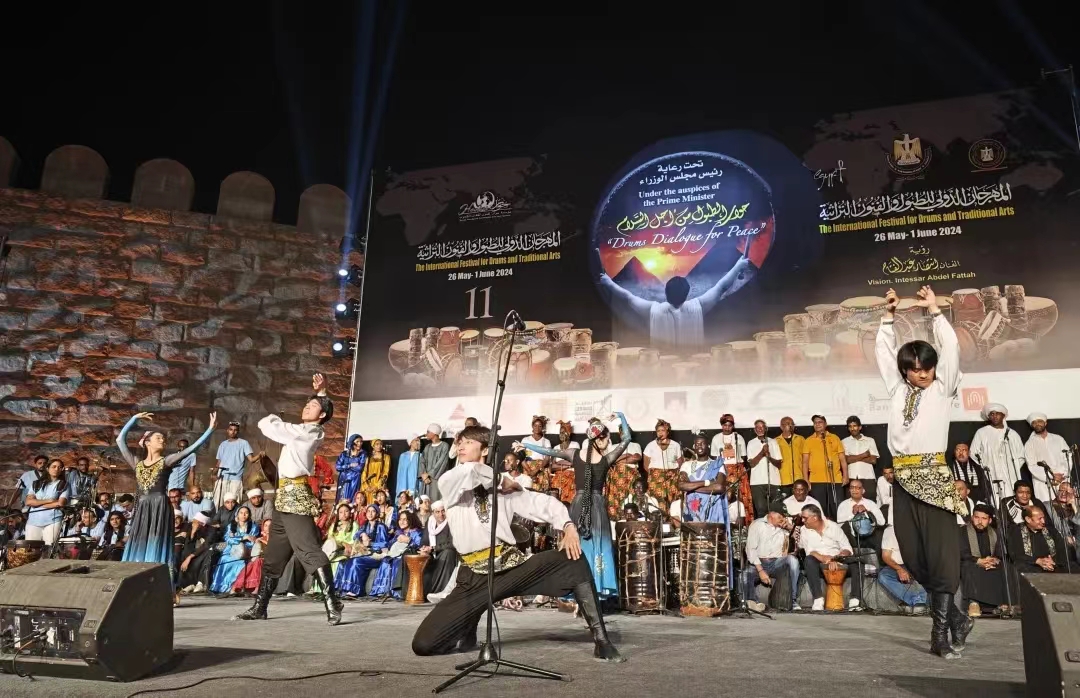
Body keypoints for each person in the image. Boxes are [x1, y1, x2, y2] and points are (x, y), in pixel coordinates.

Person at [410, 424, 623, 662]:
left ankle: (602, 641)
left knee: (574, 560)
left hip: (510, 568)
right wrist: (500, 478)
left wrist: (567, 525)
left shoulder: (504, 489)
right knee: (423, 644)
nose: (461, 446)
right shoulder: (452, 483)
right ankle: (468, 626)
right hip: (472, 578)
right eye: (460, 442)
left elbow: (541, 503)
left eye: (469, 442)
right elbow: (469, 472)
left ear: (485, 450)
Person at [876, 284, 971, 658]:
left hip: (934, 477)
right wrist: (888, 317)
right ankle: (958, 619)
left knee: (942, 557)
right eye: (916, 370)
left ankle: (940, 634)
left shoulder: (942, 388)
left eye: (928, 368)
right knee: (914, 556)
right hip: (903, 480)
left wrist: (934, 311)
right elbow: (883, 354)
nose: (924, 374)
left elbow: (953, 349)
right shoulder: (897, 390)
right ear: (905, 371)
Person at [235, 372, 343, 626]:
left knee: (308, 550)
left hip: (296, 498)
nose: (307, 407)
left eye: (313, 406)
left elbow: (267, 424)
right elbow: (274, 426)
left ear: (322, 416)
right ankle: (260, 607)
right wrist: (320, 393)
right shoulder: (301, 430)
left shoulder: (309, 432)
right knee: (274, 556)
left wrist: (321, 397)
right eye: (307, 404)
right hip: (283, 499)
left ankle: (332, 602)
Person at [522, 413, 631, 599]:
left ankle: (580, 590)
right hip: (595, 506)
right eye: (606, 437)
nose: (608, 441)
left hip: (581, 504)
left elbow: (548, 452)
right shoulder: (606, 459)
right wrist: (621, 416)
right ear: (598, 439)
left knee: (582, 544)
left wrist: (525, 445)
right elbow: (626, 439)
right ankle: (593, 589)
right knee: (594, 544)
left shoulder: (575, 454)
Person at [116, 412, 216, 582]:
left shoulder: (166, 461)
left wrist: (209, 430)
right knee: (139, 538)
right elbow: (120, 440)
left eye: (163, 438)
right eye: (158, 438)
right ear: (147, 443)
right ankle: (135, 579)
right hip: (143, 507)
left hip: (159, 505)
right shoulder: (137, 464)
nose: (162, 440)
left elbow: (192, 449)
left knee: (157, 540)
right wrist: (134, 419)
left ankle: (158, 580)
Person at [595, 246, 751, 348]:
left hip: (662, 370)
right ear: (687, 294)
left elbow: (627, 297)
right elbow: (721, 287)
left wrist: (608, 282)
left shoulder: (653, 311)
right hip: (694, 366)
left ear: (666, 293)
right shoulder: (698, 307)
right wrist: (738, 266)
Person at [799, 503, 860, 611]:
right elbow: (810, 552)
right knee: (809, 560)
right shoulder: (804, 530)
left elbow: (847, 548)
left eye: (805, 518)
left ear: (815, 517)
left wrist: (838, 558)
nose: (802, 520)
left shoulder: (833, 527)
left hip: (839, 561)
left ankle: (855, 600)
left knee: (857, 562)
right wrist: (827, 560)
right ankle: (818, 599)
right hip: (819, 563)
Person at [960, 503, 1014, 617]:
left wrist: (994, 560)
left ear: (989, 520)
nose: (980, 521)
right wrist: (978, 560)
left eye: (984, 518)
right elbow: (961, 552)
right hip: (971, 562)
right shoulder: (962, 531)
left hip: (989, 563)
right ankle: (973, 602)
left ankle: (1002, 603)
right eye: (977, 517)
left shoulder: (995, 533)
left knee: (1006, 567)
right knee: (968, 566)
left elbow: (1000, 552)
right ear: (972, 517)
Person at [741, 506, 799, 612]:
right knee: (744, 575)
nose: (783, 519)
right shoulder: (757, 525)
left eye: (784, 516)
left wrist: (791, 529)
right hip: (759, 562)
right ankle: (752, 602)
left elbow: (798, 545)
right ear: (771, 514)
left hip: (777, 562)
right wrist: (760, 570)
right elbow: (751, 549)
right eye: (780, 516)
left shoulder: (784, 527)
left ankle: (792, 600)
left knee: (793, 560)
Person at [969, 404, 1026, 508]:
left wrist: (1013, 467)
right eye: (992, 414)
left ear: (1003, 415)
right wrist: (986, 465)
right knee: (996, 497)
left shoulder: (1012, 434)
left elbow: (1021, 455)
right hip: (992, 472)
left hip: (1011, 474)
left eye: (997, 414)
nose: (994, 416)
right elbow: (973, 452)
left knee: (1012, 494)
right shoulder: (982, 432)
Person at [335, 504, 390, 597]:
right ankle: (340, 588)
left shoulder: (381, 526)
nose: (370, 513)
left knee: (356, 561)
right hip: (365, 554)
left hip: (376, 555)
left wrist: (370, 544)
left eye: (373, 511)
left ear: (377, 514)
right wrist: (362, 534)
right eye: (368, 511)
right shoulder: (364, 526)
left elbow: (385, 544)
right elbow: (355, 536)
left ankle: (355, 589)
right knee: (344, 561)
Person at [672, 436, 728, 524]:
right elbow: (681, 485)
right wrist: (707, 482)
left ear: (708, 446)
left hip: (711, 508)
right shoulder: (686, 465)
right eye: (697, 444)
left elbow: (719, 487)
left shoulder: (717, 465)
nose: (699, 446)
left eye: (702, 443)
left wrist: (691, 487)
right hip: (692, 508)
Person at [802, 415, 846, 519]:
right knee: (820, 510)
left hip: (835, 479)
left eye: (820, 422)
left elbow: (842, 459)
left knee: (837, 509)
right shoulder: (808, 440)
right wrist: (806, 480)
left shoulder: (834, 438)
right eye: (815, 423)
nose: (817, 424)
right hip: (816, 481)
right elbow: (805, 462)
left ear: (825, 424)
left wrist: (845, 476)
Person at [878, 524, 928, 613]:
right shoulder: (890, 531)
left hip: (917, 564)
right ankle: (914, 600)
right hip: (897, 565)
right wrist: (899, 569)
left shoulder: (919, 528)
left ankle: (921, 601)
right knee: (883, 576)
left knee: (931, 571)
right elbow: (886, 556)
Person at [210, 506, 259, 595]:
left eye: (246, 513)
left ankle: (236, 587)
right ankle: (222, 587)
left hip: (246, 552)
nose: (243, 515)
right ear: (237, 514)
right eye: (241, 513)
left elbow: (252, 541)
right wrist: (243, 538)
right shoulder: (231, 526)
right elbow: (227, 539)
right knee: (225, 559)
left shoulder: (253, 527)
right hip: (230, 551)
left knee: (241, 563)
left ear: (249, 515)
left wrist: (238, 539)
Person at [1008, 505, 1071, 574]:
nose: (1043, 521)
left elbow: (1062, 549)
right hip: (1031, 566)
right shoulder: (1016, 531)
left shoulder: (1050, 530)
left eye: (1043, 518)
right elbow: (1016, 554)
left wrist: (1053, 561)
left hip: (1053, 565)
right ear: (1028, 519)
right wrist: (1037, 561)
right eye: (1039, 519)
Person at [1024, 413, 1071, 505]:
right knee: (1048, 507)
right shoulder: (1029, 444)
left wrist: (1063, 474)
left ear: (1045, 423)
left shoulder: (1058, 439)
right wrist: (1051, 476)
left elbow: (1068, 457)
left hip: (1062, 479)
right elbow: (1032, 465)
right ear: (1032, 426)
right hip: (1044, 483)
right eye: (1034, 423)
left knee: (1066, 506)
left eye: (1039, 421)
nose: (1037, 424)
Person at [25, 459, 73, 545]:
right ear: (47, 468)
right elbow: (28, 502)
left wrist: (36, 504)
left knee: (49, 547)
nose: (56, 469)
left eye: (59, 467)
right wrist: (49, 500)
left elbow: (60, 503)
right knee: (31, 548)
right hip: (33, 521)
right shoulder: (36, 484)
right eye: (54, 466)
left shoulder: (64, 484)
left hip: (53, 520)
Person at [213, 421, 257, 508]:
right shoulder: (223, 444)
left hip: (235, 478)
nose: (233, 432)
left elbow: (251, 459)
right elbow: (219, 462)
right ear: (227, 430)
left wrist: (260, 455)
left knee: (235, 503)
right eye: (231, 429)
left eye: (235, 430)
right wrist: (214, 474)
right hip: (222, 478)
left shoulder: (243, 443)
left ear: (238, 431)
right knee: (218, 502)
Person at [605, 420, 642, 519]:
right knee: (616, 501)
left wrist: (618, 459)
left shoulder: (636, 445)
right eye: (622, 432)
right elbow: (610, 461)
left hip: (632, 476)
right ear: (619, 433)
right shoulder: (613, 447)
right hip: (617, 477)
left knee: (633, 498)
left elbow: (636, 458)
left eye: (627, 431)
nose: (624, 434)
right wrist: (627, 456)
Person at [644, 419, 682, 513]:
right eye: (658, 431)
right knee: (657, 502)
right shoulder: (650, 446)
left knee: (673, 501)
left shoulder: (675, 445)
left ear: (667, 432)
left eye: (663, 430)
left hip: (672, 478)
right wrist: (656, 475)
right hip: (656, 479)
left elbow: (680, 463)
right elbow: (646, 465)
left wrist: (673, 475)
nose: (660, 433)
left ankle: (673, 521)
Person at [746, 419, 783, 516]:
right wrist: (762, 452)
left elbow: (779, 464)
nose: (760, 429)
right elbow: (752, 464)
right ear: (755, 430)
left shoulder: (773, 442)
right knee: (761, 510)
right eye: (757, 427)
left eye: (762, 427)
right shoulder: (751, 443)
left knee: (775, 511)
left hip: (773, 481)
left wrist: (769, 456)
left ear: (766, 429)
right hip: (757, 482)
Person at [423, 500, 458, 599]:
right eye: (437, 512)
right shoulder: (430, 522)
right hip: (432, 554)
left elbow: (453, 543)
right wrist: (424, 548)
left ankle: (442, 590)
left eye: (443, 511)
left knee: (448, 553)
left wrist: (434, 548)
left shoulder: (451, 522)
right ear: (433, 513)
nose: (441, 514)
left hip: (446, 554)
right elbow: (424, 540)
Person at [836, 480, 885, 549]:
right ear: (849, 490)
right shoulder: (843, 505)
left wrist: (867, 512)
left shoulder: (871, 504)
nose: (854, 490)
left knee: (878, 535)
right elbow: (840, 525)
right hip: (851, 538)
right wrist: (853, 514)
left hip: (870, 537)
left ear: (863, 490)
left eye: (857, 488)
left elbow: (882, 522)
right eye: (852, 487)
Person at [842, 416, 879, 502]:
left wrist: (853, 457)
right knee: (851, 504)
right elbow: (846, 460)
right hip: (851, 477)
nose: (852, 428)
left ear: (860, 427)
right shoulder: (844, 441)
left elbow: (873, 460)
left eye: (854, 426)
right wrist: (864, 455)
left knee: (869, 503)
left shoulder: (870, 440)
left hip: (868, 477)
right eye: (850, 426)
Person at [521, 416, 555, 495]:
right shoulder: (525, 440)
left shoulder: (546, 441)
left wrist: (536, 470)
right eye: (535, 425)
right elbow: (521, 457)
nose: (537, 428)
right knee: (528, 492)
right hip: (527, 467)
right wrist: (529, 471)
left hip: (541, 467)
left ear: (542, 428)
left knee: (540, 493)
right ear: (532, 426)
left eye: (540, 426)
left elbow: (547, 459)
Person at [418, 424, 451, 502]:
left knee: (436, 501)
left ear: (434, 433)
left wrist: (429, 474)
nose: (426, 434)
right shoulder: (427, 447)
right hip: (426, 480)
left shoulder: (444, 446)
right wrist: (424, 475)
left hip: (437, 479)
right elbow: (422, 461)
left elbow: (442, 463)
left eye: (428, 432)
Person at [549, 418, 579, 504]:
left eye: (563, 432)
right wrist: (568, 465)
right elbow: (552, 467)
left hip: (571, 474)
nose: (561, 435)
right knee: (555, 487)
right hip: (558, 474)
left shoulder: (575, 445)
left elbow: (575, 462)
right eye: (560, 432)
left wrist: (560, 463)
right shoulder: (556, 448)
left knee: (570, 484)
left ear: (568, 433)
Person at [776, 417, 805, 500]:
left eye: (792, 424)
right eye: (787, 424)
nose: (790, 426)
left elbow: (805, 459)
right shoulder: (775, 441)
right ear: (781, 427)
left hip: (799, 479)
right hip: (783, 480)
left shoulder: (800, 439)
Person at [335, 434, 366, 503]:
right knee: (341, 498)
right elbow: (337, 467)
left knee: (351, 499)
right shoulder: (344, 454)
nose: (360, 443)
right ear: (352, 442)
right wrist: (349, 465)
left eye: (361, 442)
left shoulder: (362, 454)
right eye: (357, 441)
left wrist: (344, 467)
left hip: (355, 479)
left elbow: (360, 468)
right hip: (343, 478)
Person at [362, 439, 391, 504]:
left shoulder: (386, 457)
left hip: (379, 485)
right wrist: (366, 486)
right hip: (368, 486)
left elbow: (386, 472)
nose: (379, 446)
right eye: (377, 444)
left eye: (381, 444)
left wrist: (376, 486)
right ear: (373, 446)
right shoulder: (368, 458)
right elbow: (364, 472)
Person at [396, 434, 422, 499]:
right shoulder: (403, 456)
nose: (418, 443)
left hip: (415, 485)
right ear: (411, 443)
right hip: (404, 485)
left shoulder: (421, 455)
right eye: (416, 440)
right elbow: (400, 474)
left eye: (419, 441)